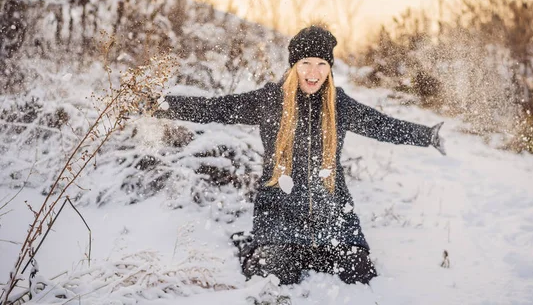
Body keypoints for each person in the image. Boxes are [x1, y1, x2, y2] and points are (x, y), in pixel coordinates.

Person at [155, 26, 446, 285]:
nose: (314, 71)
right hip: (279, 214)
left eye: (321, 64)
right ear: (294, 65)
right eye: (306, 62)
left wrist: (427, 135)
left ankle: (308, 251)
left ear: (329, 68)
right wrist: (161, 105)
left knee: (358, 272)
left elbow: (381, 125)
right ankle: (252, 246)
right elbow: (216, 108)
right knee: (278, 274)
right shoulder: (269, 100)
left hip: (333, 215)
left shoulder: (339, 104)